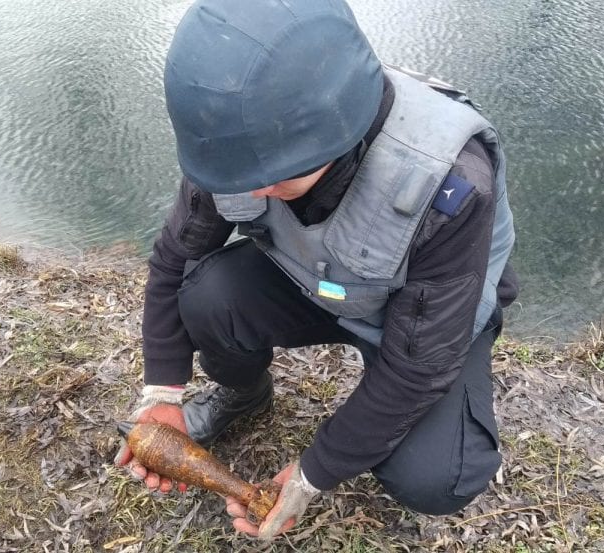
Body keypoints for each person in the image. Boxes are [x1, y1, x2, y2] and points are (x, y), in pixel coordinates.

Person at [115, 0, 518, 540]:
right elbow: (175, 259)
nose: (250, 188)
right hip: (319, 283)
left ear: (336, 128)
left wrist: (312, 473)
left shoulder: (451, 182)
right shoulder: (237, 141)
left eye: (274, 175)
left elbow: (419, 365)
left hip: (423, 321)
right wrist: (161, 396)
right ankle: (245, 393)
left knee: (436, 479)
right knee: (206, 294)